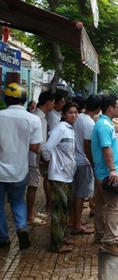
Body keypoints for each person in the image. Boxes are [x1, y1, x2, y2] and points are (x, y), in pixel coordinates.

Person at [0, 83, 42, 250]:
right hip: (20, 170)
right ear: (24, 100)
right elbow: (34, 148)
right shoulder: (33, 119)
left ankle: (3, 238)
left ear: (6, 98)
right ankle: (21, 226)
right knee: (17, 201)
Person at [42, 102, 79, 254]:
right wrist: (53, 165)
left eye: (76, 112)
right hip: (59, 176)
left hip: (67, 175)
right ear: (64, 114)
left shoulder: (70, 129)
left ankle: (61, 236)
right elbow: (46, 148)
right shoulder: (60, 129)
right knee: (59, 209)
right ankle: (55, 244)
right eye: (70, 112)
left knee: (65, 207)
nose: (74, 115)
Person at [91, 94, 118, 256]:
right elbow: (106, 148)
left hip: (102, 172)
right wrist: (112, 170)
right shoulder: (104, 125)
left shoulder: (104, 123)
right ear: (110, 108)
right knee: (116, 206)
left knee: (101, 204)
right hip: (107, 174)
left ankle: (99, 234)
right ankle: (109, 241)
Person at [68, 95, 101, 235]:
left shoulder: (77, 117)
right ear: (99, 109)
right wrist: (93, 163)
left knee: (74, 193)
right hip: (82, 162)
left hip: (73, 160)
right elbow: (87, 145)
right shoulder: (89, 123)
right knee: (80, 195)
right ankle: (77, 225)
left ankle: (72, 220)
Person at [26, 91, 55, 226]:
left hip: (37, 154)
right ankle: (29, 216)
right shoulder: (37, 117)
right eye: (53, 102)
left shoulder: (41, 116)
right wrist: (42, 154)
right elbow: (37, 142)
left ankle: (32, 211)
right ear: (48, 102)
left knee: (34, 185)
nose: (53, 105)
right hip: (34, 156)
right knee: (32, 186)